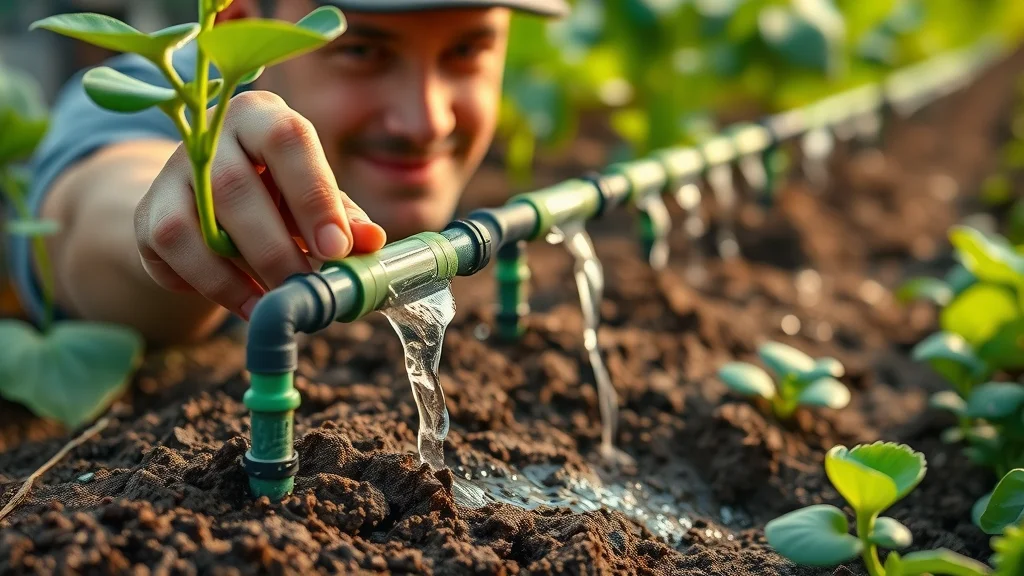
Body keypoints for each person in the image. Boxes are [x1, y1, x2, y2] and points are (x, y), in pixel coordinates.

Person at [7, 0, 569, 347]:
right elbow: (97, 212)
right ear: (243, 27)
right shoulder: (143, 97)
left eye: (467, 50)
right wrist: (186, 209)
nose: (426, 120)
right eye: (364, 51)